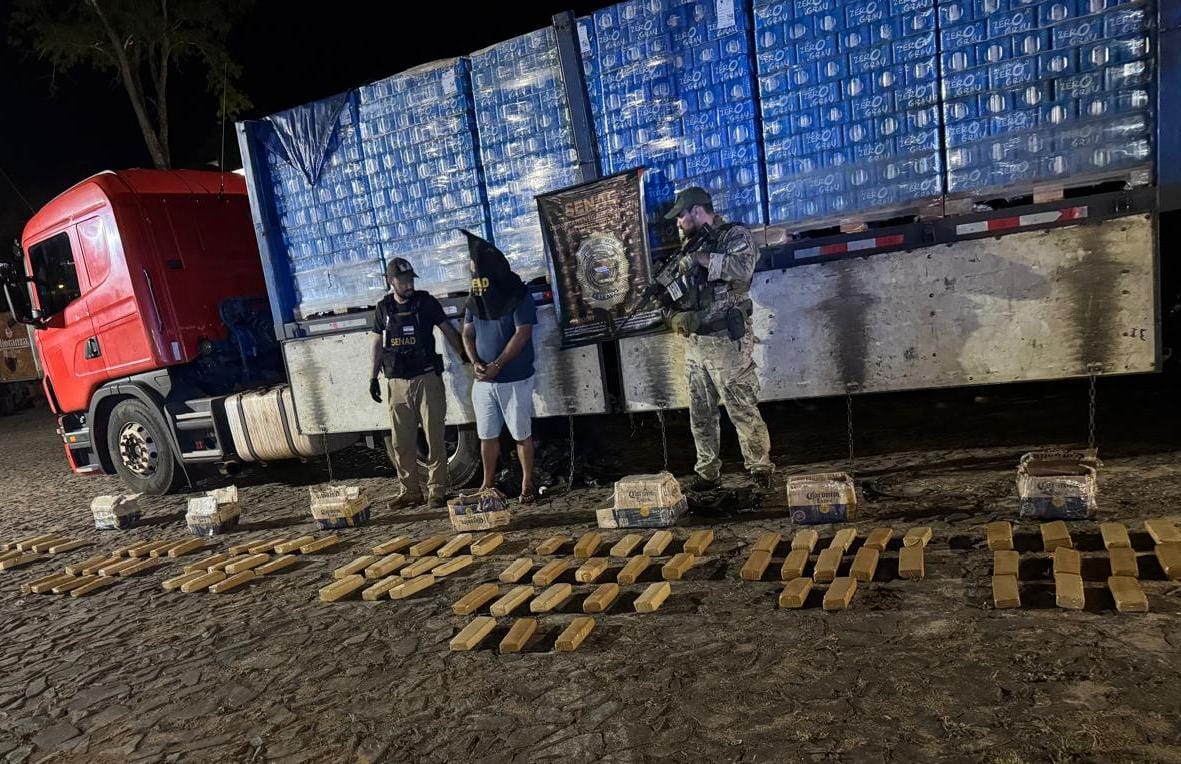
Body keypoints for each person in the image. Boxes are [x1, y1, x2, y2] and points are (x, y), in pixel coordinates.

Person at [663, 186, 774, 489]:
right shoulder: (687, 246)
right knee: (701, 413)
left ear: (697, 211)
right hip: (696, 343)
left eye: (681, 216)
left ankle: (759, 469)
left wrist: (700, 258)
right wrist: (674, 317)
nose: (678, 222)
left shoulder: (732, 235)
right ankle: (707, 472)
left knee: (741, 406)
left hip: (727, 340)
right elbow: (674, 294)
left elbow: (742, 269)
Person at [369, 257, 466, 509]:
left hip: (426, 378)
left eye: (411, 280)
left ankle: (437, 491)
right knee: (401, 442)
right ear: (391, 281)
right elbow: (377, 343)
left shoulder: (426, 302)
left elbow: (447, 330)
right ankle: (410, 491)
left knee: (435, 438)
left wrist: (466, 357)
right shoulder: (383, 308)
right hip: (396, 382)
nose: (409, 285)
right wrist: (372, 377)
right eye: (403, 281)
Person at [459, 230, 539, 504]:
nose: (473, 274)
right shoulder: (476, 297)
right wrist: (475, 362)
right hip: (484, 381)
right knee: (487, 435)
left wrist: (498, 364)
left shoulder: (518, 294)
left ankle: (527, 483)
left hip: (514, 378)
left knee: (521, 433)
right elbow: (467, 332)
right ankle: (487, 483)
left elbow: (523, 333)